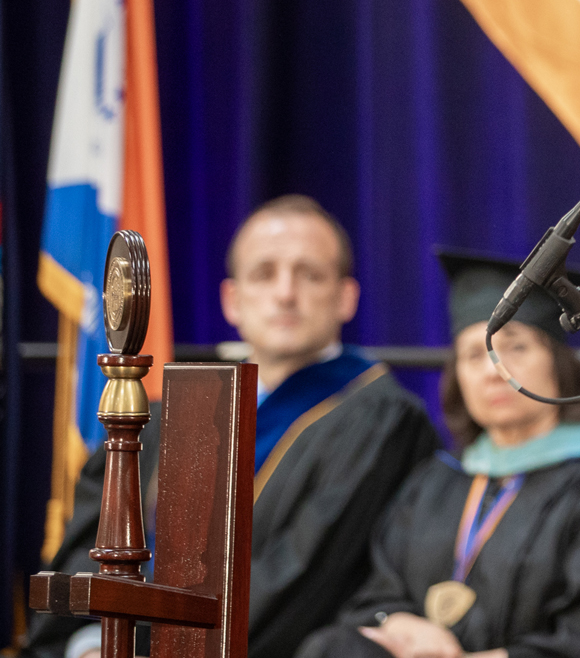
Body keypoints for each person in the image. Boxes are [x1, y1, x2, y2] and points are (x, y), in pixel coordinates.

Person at [28, 195, 440, 658]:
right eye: (264, 274)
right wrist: (87, 642)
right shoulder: (160, 416)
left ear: (347, 298)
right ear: (232, 300)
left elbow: (302, 579)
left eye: (310, 274)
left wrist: (140, 647)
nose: (285, 293)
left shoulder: (380, 421)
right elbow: (89, 545)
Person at [295, 250, 580, 658]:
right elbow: (375, 598)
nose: (494, 370)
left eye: (516, 347)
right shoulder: (435, 481)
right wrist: (402, 627)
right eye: (474, 355)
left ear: (558, 362)